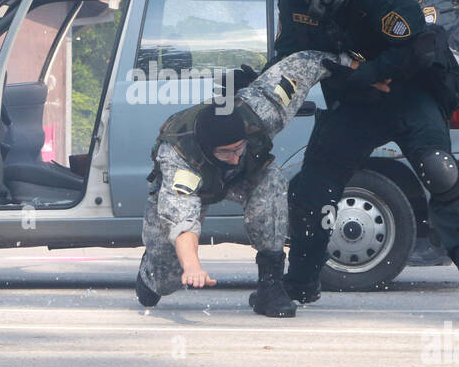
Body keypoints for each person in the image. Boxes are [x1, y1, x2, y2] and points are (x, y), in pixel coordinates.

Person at [278, 0, 459, 320]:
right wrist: (262, 80)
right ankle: (299, 282)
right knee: (312, 188)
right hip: (353, 101)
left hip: (408, 92)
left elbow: (413, 45)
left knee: (441, 172)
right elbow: (290, 54)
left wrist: (367, 74)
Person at [136, 52, 336, 318]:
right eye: (225, 153)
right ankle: (149, 269)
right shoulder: (179, 157)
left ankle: (270, 286)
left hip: (240, 181)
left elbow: (299, 70)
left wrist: (348, 63)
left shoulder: (261, 113)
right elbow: (183, 220)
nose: (235, 157)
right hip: (192, 189)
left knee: (272, 180)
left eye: (239, 148)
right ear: (208, 150)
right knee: (165, 280)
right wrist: (193, 266)